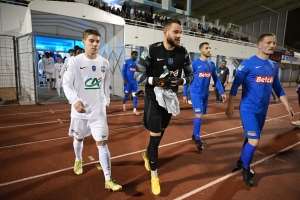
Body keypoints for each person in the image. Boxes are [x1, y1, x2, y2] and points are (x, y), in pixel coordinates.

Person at [226, 33, 295, 187]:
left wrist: (287, 105)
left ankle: (242, 160)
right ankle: (246, 169)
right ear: (259, 45)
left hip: (262, 110)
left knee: (251, 137)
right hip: (248, 108)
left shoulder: (273, 66)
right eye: (268, 42)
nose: (272, 46)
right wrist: (230, 105)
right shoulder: (247, 64)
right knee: (254, 140)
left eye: (274, 43)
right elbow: (235, 85)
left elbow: (277, 88)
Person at [134, 18, 193, 195]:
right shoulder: (151, 50)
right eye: (176, 32)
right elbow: (137, 74)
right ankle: (154, 174)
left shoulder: (183, 52)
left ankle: (146, 154)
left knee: (160, 135)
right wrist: (155, 81)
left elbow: (191, 75)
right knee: (155, 137)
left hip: (170, 98)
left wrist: (181, 80)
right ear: (165, 32)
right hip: (153, 97)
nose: (179, 35)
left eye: (180, 32)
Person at [63, 29, 122, 192]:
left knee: (102, 144)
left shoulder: (104, 62)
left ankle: (108, 179)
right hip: (80, 113)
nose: (95, 44)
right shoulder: (74, 62)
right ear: (84, 42)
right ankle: (78, 159)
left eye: (97, 41)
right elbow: (66, 84)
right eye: (91, 41)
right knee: (79, 139)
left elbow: (105, 84)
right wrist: (74, 101)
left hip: (98, 112)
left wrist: (106, 101)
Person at [186, 42, 226, 150]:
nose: (209, 50)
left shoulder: (211, 64)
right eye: (206, 48)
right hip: (195, 93)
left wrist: (222, 92)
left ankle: (195, 135)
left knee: (201, 115)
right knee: (199, 115)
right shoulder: (194, 64)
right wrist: (185, 94)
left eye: (210, 48)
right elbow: (188, 79)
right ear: (201, 50)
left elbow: (216, 79)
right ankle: (197, 138)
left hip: (205, 93)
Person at [121, 51, 140, 115]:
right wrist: (124, 80)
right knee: (126, 95)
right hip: (128, 82)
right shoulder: (126, 62)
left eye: (137, 55)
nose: (136, 56)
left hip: (135, 82)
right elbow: (123, 71)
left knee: (135, 95)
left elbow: (139, 71)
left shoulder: (137, 62)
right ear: (131, 55)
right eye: (135, 55)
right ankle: (123, 104)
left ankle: (134, 110)